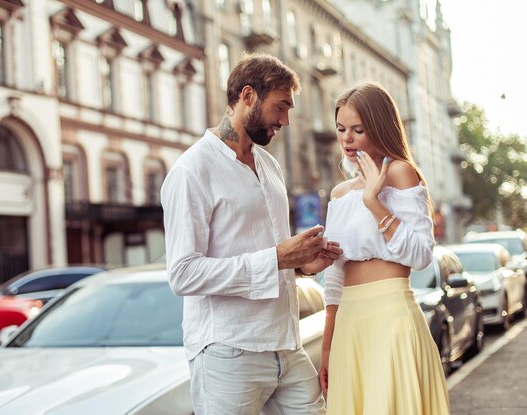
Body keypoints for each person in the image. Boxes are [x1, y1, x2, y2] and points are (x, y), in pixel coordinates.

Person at [161, 53, 342, 414]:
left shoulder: (269, 165)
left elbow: (269, 255)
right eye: (281, 106)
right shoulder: (192, 171)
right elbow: (182, 274)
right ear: (248, 96)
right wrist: (277, 257)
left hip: (285, 344)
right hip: (228, 351)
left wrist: (304, 265)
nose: (286, 120)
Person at [319, 81, 450, 414]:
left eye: (358, 129)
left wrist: (374, 202)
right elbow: (334, 282)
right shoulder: (338, 194)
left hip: (392, 319)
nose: (346, 138)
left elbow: (420, 255)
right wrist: (327, 349)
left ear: (378, 128)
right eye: (341, 129)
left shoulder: (402, 174)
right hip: (349, 325)